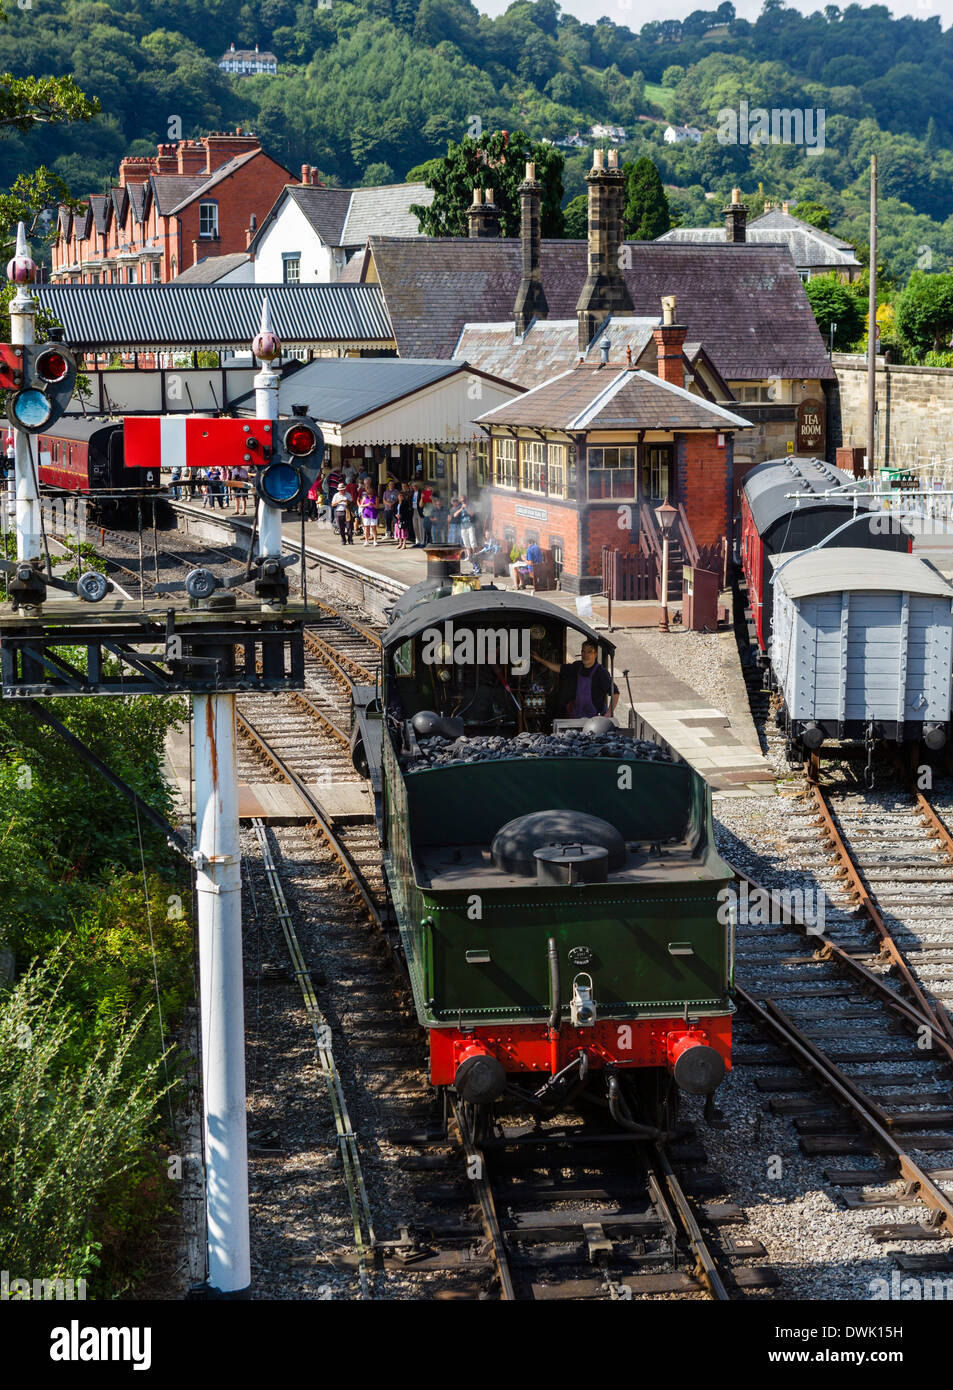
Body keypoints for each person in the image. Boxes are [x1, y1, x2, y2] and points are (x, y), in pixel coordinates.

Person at [533, 640, 620, 718]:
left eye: (589, 652)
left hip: (594, 719)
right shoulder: (578, 666)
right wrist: (540, 660)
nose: (585, 655)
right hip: (578, 716)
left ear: (595, 654)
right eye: (583, 651)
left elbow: (615, 693)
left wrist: (608, 714)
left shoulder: (601, 673)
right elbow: (559, 668)